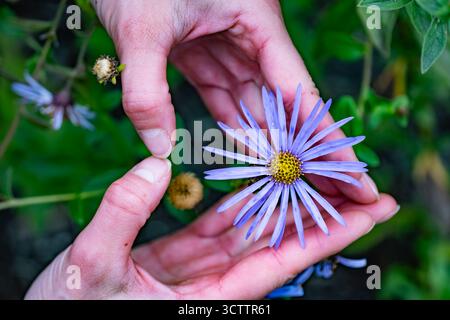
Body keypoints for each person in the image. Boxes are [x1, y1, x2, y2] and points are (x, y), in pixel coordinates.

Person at [25, 0, 398, 299]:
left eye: (286, 165)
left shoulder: (281, 161)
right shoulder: (276, 159)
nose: (284, 166)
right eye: (284, 164)